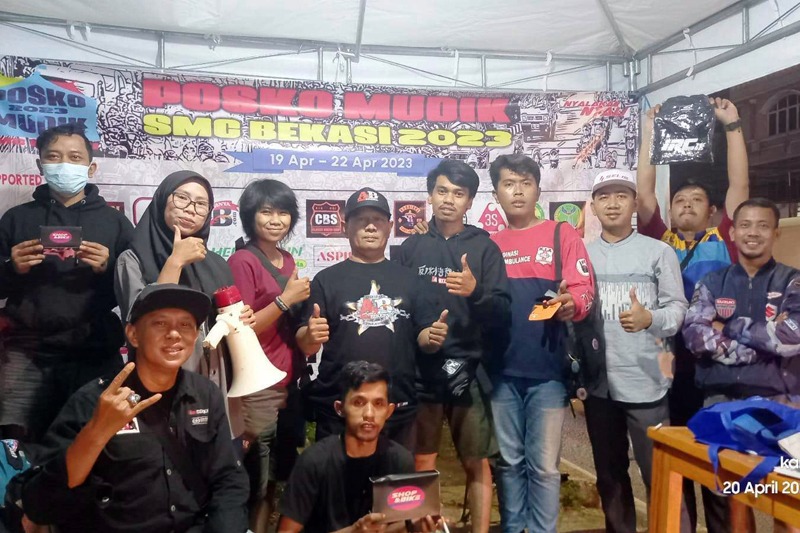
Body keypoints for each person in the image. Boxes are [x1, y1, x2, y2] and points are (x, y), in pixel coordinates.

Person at [20, 283, 250, 532]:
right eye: (160, 323)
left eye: (185, 324)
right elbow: (41, 506)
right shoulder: (94, 400)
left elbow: (228, 478)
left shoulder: (205, 394)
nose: (174, 333)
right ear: (133, 335)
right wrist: (96, 432)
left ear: (195, 336)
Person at [637, 97, 749, 532]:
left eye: (696, 200)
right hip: (669, 368)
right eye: (679, 200)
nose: (685, 205)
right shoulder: (659, 240)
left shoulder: (726, 239)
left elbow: (739, 185)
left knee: (720, 466)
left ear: (713, 211)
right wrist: (650, 130)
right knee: (678, 461)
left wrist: (732, 125)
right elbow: (645, 193)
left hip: (717, 370)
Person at [0, 123, 134, 443]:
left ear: (91, 167)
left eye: (75, 157)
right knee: (16, 444)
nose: (64, 164)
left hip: (95, 354)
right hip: (25, 354)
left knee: (100, 442)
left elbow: (132, 296)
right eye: (54, 157)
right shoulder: (15, 219)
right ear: (40, 165)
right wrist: (11, 268)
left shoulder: (115, 222)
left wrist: (108, 269)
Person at [396, 160, 510, 533]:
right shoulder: (410, 247)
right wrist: (419, 336)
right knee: (421, 461)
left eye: (458, 193)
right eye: (442, 191)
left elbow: (503, 312)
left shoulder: (484, 248)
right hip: (420, 369)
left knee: (477, 461)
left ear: (470, 201)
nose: (449, 200)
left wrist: (475, 292)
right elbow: (397, 310)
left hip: (467, 369)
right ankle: (422, 528)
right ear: (430, 195)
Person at [487, 154, 595, 533]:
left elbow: (583, 290)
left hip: (549, 371)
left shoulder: (561, 235)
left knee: (546, 467)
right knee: (509, 463)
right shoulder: (489, 244)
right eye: (508, 184)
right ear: (496, 193)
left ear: (537, 190)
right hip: (500, 373)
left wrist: (572, 304)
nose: (517, 191)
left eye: (525, 183)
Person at [296, 188, 449, 449]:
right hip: (339, 406)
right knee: (335, 476)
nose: (370, 226)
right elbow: (304, 341)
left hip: (394, 405)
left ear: (390, 226)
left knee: (395, 475)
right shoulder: (325, 280)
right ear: (345, 227)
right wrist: (310, 336)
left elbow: (424, 336)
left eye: (377, 219)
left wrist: (432, 337)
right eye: (361, 220)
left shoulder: (410, 279)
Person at [683, 198, 800, 533]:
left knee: (785, 494)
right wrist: (763, 348)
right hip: (721, 400)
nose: (753, 233)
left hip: (782, 404)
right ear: (732, 233)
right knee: (732, 494)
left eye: (763, 226)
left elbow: (791, 338)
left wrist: (730, 326)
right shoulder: (712, 283)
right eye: (745, 225)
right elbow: (695, 336)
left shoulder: (792, 282)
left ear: (775, 233)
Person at [584, 169, 688, 533]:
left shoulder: (659, 252)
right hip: (599, 388)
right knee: (609, 477)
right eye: (604, 196)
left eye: (621, 196)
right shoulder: (582, 255)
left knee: (660, 475)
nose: (612, 204)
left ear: (634, 203)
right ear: (593, 206)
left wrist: (650, 318)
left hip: (648, 385)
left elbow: (678, 310)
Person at [114, 171, 254, 435]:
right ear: (162, 200)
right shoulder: (132, 259)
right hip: (161, 379)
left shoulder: (216, 264)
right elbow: (141, 321)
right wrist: (175, 261)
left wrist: (241, 319)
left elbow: (222, 325)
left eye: (201, 204)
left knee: (217, 450)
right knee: (170, 448)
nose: (191, 209)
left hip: (215, 377)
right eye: (182, 198)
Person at [227, 179, 311, 533]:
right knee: (254, 480)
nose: (276, 220)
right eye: (266, 211)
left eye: (283, 212)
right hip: (257, 386)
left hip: (288, 382)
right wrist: (285, 300)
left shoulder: (288, 259)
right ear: (250, 216)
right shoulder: (242, 261)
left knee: (278, 475)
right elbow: (240, 329)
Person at [278, 361, 440, 533]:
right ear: (340, 408)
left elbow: (404, 523)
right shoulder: (314, 461)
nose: (369, 414)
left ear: (389, 411)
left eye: (378, 404)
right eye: (359, 403)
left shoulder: (400, 459)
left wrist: (418, 525)